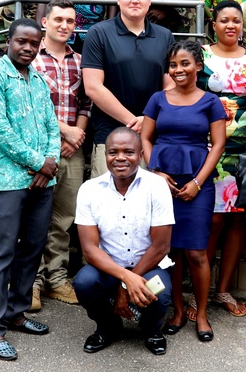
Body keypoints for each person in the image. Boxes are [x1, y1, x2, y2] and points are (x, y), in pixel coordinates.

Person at [0, 19, 60, 361]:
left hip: (42, 179)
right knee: (3, 250)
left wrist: (49, 161)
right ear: (8, 41)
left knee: (34, 246)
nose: (28, 48)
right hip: (10, 179)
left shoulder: (39, 80)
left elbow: (52, 125)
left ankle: (16, 311)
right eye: (21, 42)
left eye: (34, 43)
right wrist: (38, 162)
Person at [142, 41, 226, 342]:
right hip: (162, 182)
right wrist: (155, 172)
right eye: (174, 65)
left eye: (185, 64)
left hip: (197, 183)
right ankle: (176, 311)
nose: (179, 70)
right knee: (170, 253)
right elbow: (145, 137)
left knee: (197, 253)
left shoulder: (211, 102)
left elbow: (218, 145)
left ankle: (201, 314)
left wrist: (198, 183)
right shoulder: (157, 99)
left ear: (198, 66)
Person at [73, 127, 175, 356]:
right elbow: (89, 250)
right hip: (109, 267)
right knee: (84, 282)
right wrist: (125, 278)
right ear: (105, 156)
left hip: (149, 266)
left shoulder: (156, 186)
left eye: (128, 151)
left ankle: (150, 329)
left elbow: (161, 247)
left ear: (140, 155)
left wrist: (125, 286)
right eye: (113, 152)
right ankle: (108, 326)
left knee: (160, 289)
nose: (120, 157)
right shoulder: (89, 190)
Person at [198, 0, 246, 316]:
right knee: (212, 220)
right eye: (224, 20)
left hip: (245, 150)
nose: (230, 26)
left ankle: (223, 291)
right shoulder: (201, 57)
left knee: (238, 218)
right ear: (214, 24)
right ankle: (202, 290)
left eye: (236, 20)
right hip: (208, 149)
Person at [82, 0, 174, 178]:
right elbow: (93, 87)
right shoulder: (98, 33)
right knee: (107, 205)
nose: (135, 0)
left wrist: (148, 120)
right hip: (110, 137)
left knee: (148, 206)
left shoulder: (165, 36)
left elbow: (170, 87)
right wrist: (134, 121)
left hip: (153, 139)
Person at [30, 0, 91, 312]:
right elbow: (28, 107)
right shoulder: (30, 58)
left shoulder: (80, 60)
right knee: (33, 218)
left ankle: (57, 279)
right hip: (38, 152)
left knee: (64, 219)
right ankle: (32, 282)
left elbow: (86, 102)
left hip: (71, 151)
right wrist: (64, 131)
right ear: (45, 22)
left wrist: (76, 135)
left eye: (70, 21)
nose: (65, 25)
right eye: (58, 20)